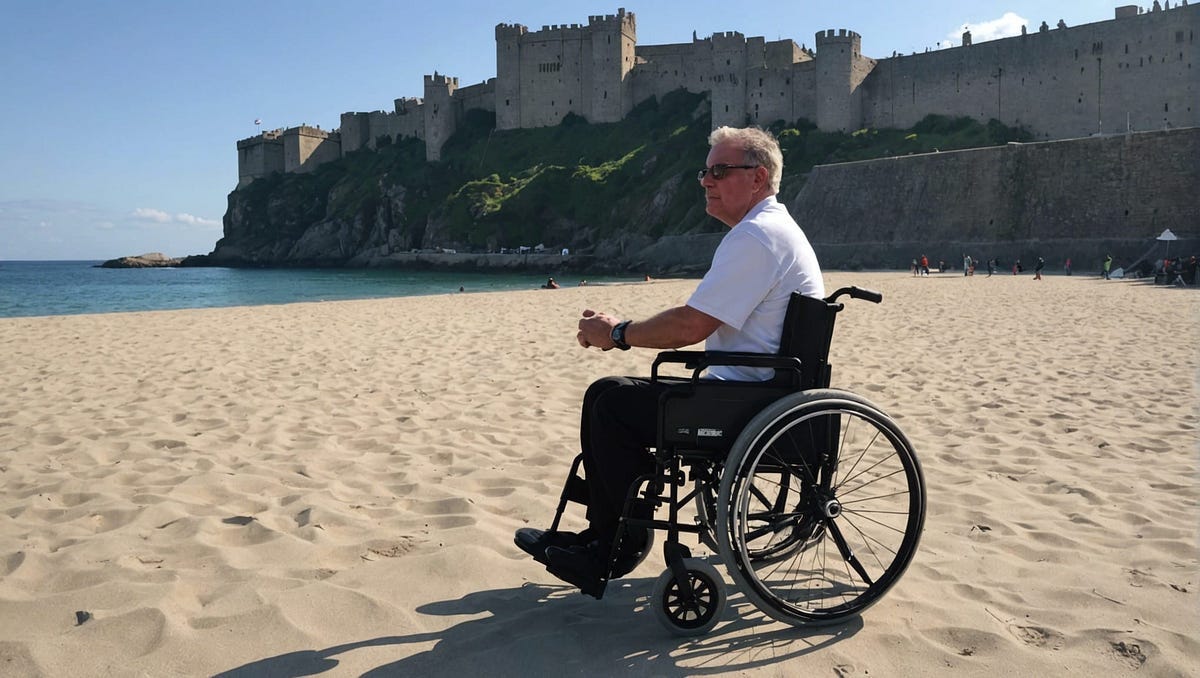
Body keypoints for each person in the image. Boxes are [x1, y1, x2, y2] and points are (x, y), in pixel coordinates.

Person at [514, 126, 825, 596]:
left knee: (612, 403)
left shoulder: (758, 238)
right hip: (758, 392)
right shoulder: (772, 231)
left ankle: (611, 542)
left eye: (720, 170)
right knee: (609, 394)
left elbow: (689, 327)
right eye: (706, 171)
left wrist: (617, 334)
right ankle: (613, 531)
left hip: (743, 404)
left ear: (758, 178)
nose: (706, 180)